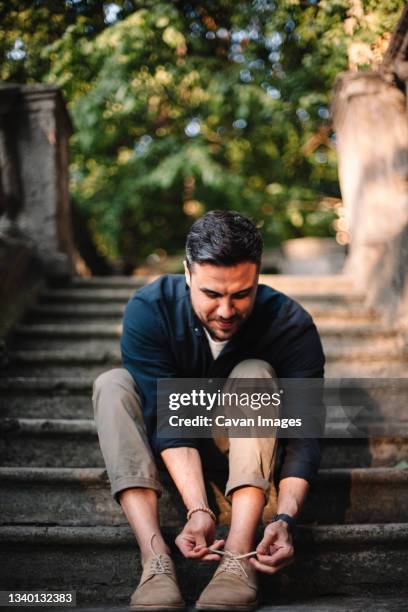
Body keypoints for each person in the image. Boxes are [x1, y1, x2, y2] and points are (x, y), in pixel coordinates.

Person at [92, 210, 325, 611]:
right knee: (111, 385)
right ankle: (155, 558)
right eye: (212, 294)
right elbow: (170, 418)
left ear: (257, 277)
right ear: (187, 274)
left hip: (247, 449)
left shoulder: (291, 324)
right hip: (170, 456)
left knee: (253, 372)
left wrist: (284, 519)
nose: (226, 311)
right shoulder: (150, 308)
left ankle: (237, 557)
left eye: (241, 294)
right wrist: (198, 509)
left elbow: (305, 436)